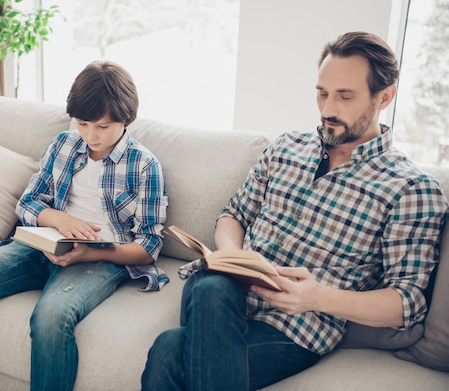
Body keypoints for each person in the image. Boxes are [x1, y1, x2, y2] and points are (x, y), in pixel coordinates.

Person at [141, 31, 448, 391]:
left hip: (298, 327)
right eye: (322, 93)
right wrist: (233, 258)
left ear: (385, 96)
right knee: (212, 285)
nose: (328, 109)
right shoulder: (285, 147)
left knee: (167, 350)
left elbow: (406, 302)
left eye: (345, 96)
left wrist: (317, 297)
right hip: (223, 294)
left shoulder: (410, 189)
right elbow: (234, 215)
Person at [0, 60, 168, 391]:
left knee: (51, 318)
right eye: (83, 124)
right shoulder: (64, 144)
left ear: (126, 120)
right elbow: (28, 203)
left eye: (102, 127)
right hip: (41, 242)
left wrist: (87, 254)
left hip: (99, 258)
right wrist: (59, 219)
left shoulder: (144, 165)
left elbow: (149, 246)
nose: (91, 136)